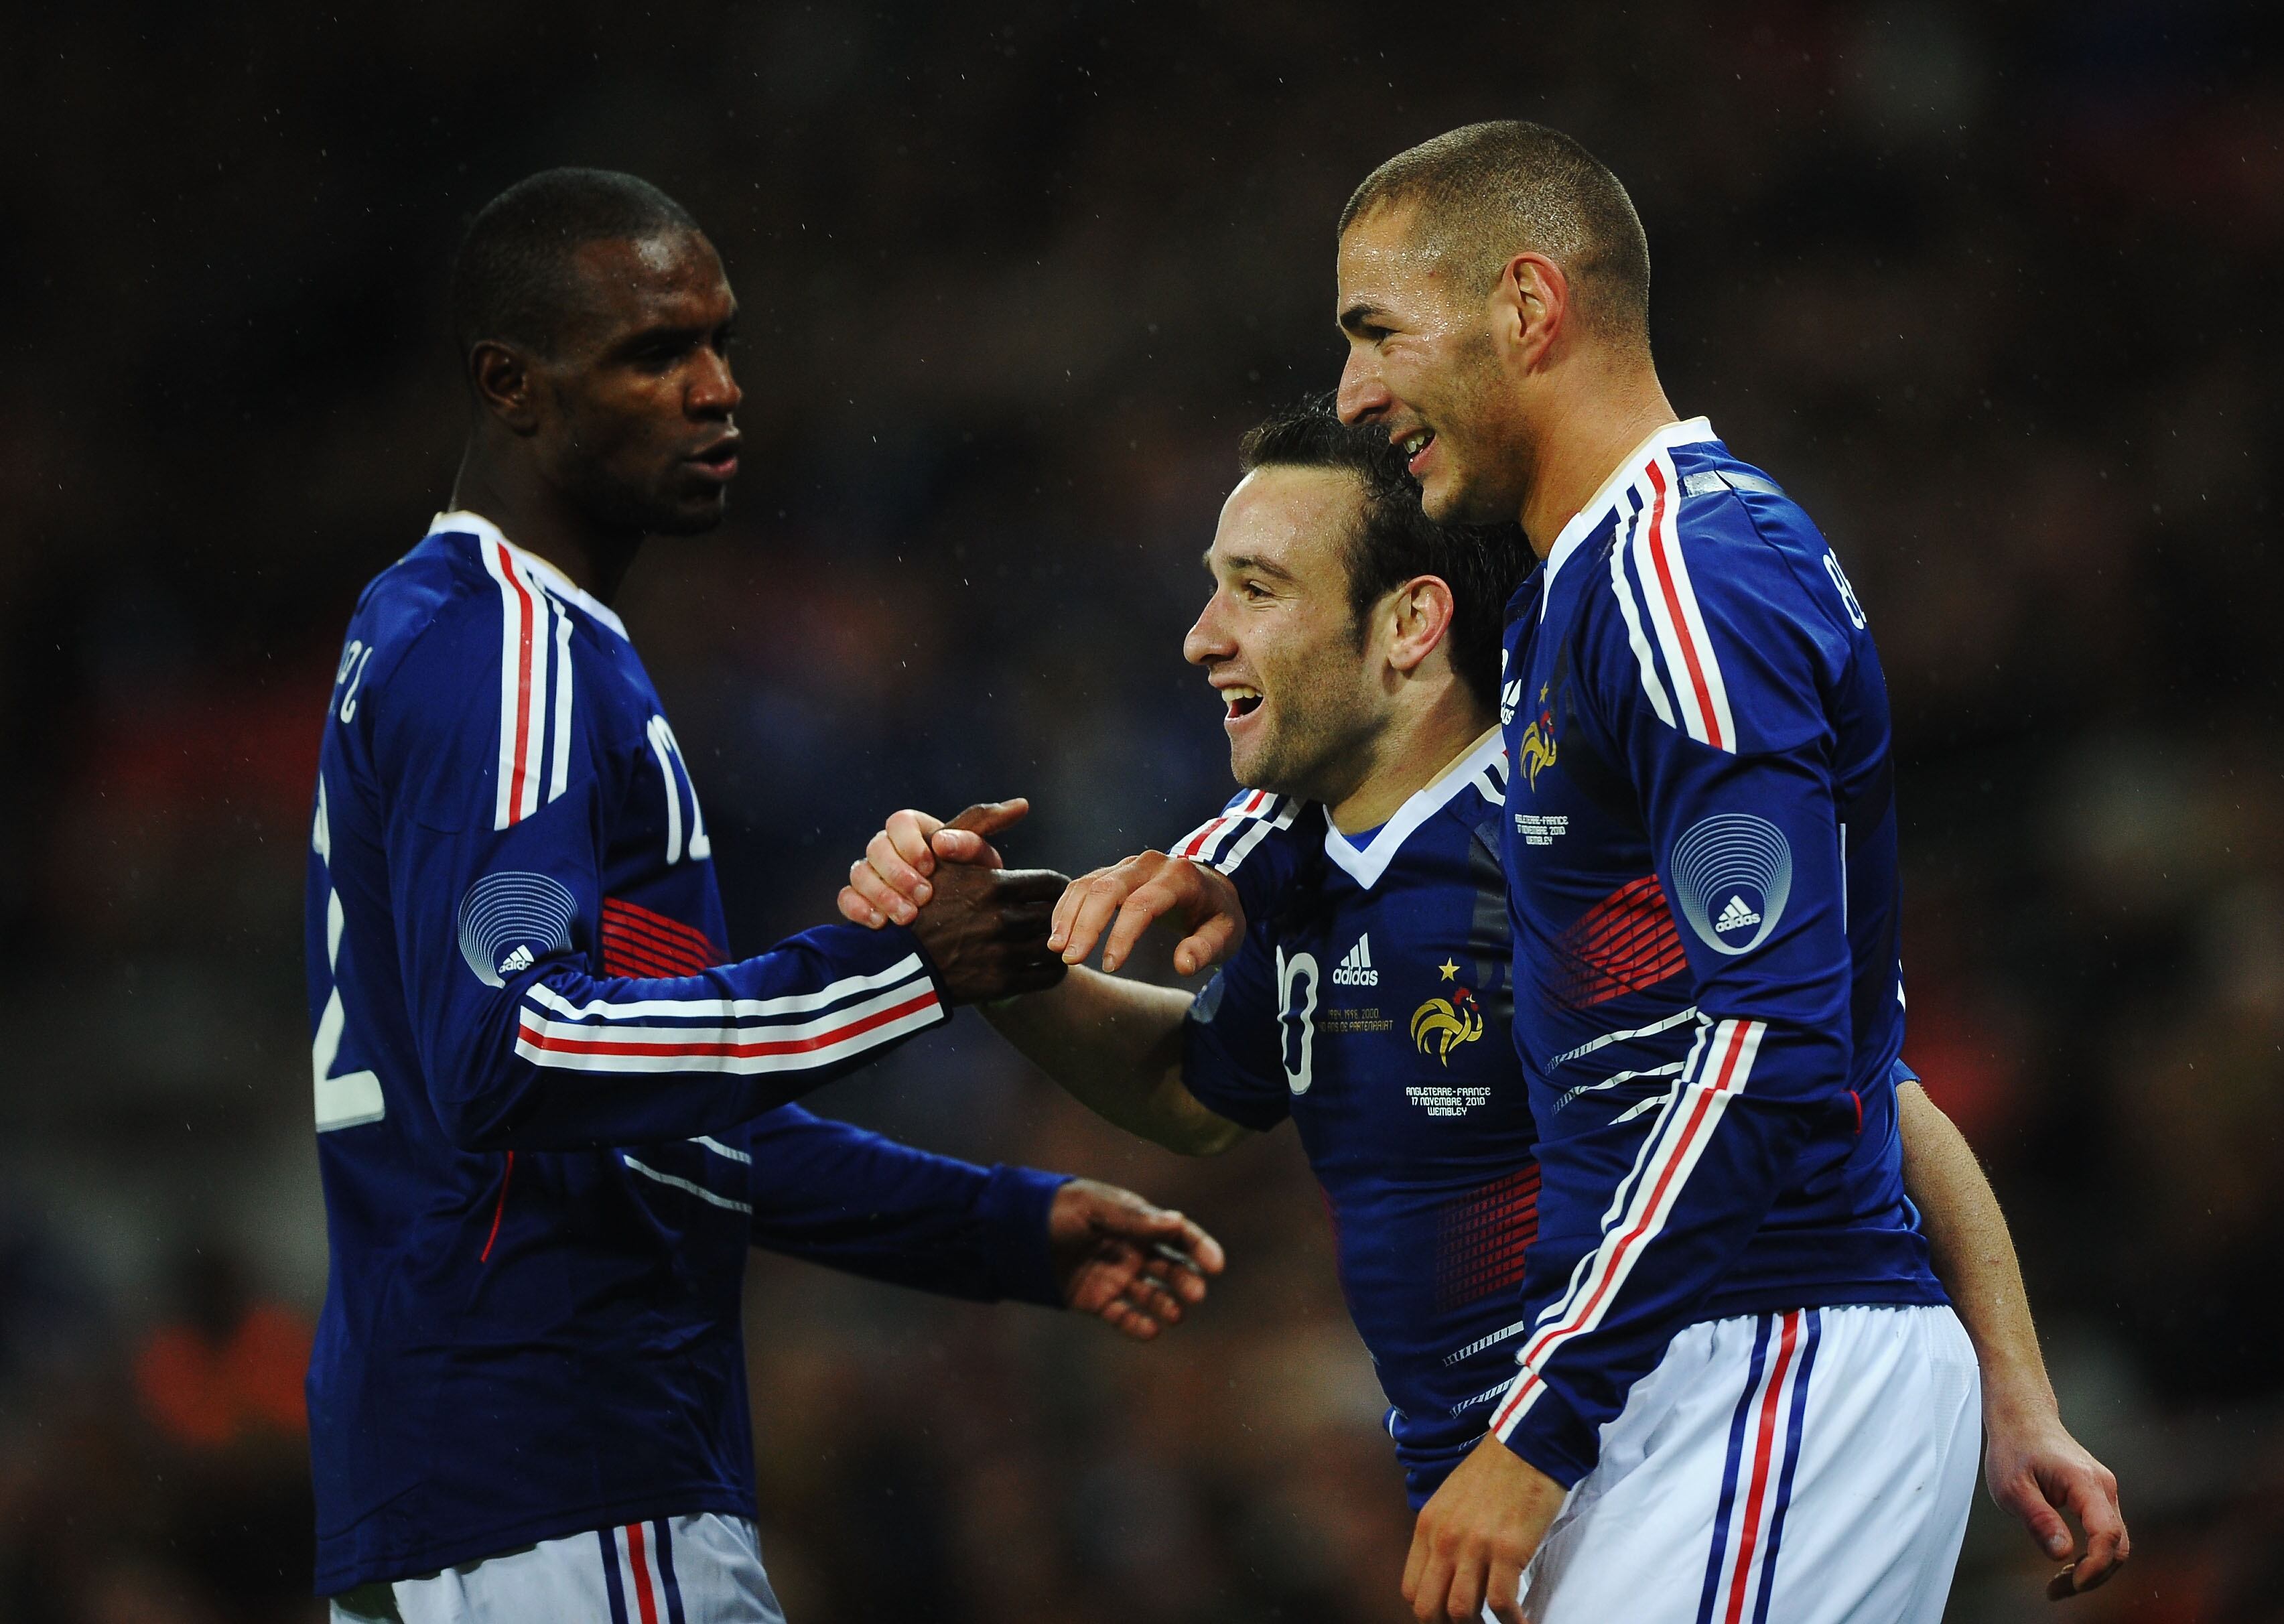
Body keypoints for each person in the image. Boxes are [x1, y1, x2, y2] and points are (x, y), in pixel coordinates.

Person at [837, 400, 2125, 1617]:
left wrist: (2015, 1387)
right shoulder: (1290, 868)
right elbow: (1196, 1097)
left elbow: (1854, 1079)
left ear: (1409, 623)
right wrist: (998, 969)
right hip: (1503, 1473)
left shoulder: (1556, 835)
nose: (1201, 634)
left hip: (1692, 1413)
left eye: (1256, 589)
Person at [305, 167, 1219, 1624]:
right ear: (511, 385)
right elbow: (522, 1053)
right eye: (655, 353)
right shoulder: (512, 655)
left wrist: (995, 1228)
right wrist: (905, 971)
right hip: (562, 1460)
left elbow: (650, 1124)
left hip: (482, 1480)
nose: (719, 388)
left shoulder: (474, 642)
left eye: (721, 341)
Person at [1319, 121, 2126, 1621]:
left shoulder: (1685, 578)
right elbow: (1866, 1058)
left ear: (1527, 306)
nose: (1357, 394)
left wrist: (1542, 1427)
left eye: (1376, 332)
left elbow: (1771, 1043)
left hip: (1767, 1361)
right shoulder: (1583, 599)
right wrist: (2011, 1388)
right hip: (1696, 1365)